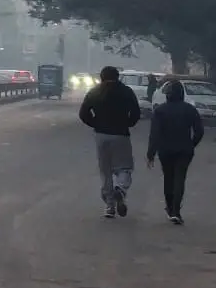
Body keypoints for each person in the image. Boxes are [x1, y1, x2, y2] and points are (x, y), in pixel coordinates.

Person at [79, 66, 142, 218]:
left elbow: (83, 114)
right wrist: (127, 123)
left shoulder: (95, 92)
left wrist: (96, 124)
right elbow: (136, 113)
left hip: (101, 135)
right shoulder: (126, 92)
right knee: (124, 168)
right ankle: (120, 190)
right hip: (121, 135)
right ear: (118, 76)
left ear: (101, 77)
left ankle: (109, 206)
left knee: (105, 171)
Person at [146, 79, 204, 224]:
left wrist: (150, 154)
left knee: (168, 177)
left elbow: (155, 134)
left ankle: (170, 207)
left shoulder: (160, 111)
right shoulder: (190, 109)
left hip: (165, 150)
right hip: (185, 149)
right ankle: (176, 210)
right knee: (180, 178)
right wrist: (192, 144)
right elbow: (199, 131)